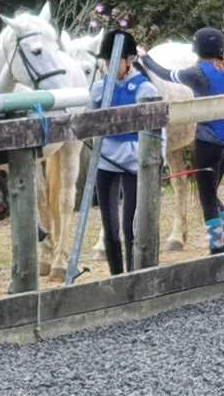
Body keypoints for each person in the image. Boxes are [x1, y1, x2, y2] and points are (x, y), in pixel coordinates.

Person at [138, 27, 224, 255]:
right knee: (212, 191)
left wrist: (144, 57)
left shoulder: (197, 73)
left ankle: (217, 245)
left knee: (207, 197)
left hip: (208, 142)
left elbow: (165, 74)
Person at [91, 28, 160, 275]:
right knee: (109, 228)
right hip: (106, 161)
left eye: (114, 61)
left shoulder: (145, 89)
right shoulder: (99, 89)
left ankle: (134, 274)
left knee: (130, 226)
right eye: (106, 61)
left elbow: (156, 132)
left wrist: (153, 160)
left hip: (133, 162)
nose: (109, 66)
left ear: (129, 60)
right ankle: (116, 276)